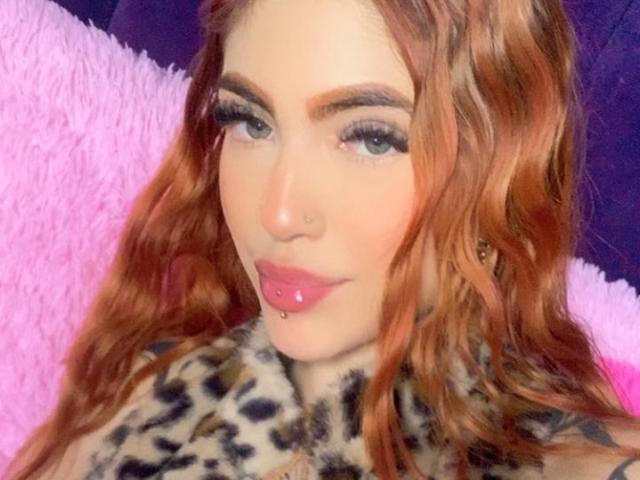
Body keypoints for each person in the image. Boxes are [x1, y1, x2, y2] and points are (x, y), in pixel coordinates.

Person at [7, 0, 640, 478]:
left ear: (501, 171)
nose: (278, 213)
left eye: (370, 137)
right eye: (249, 121)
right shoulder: (153, 399)